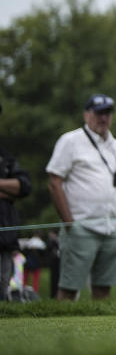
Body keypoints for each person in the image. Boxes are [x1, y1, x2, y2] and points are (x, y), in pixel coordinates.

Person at [46, 94, 116, 301]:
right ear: (86, 114)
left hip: (112, 227)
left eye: (107, 113)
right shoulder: (70, 140)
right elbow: (54, 182)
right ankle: (59, 331)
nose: (103, 118)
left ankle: (100, 333)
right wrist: (69, 223)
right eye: (98, 113)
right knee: (68, 288)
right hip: (81, 227)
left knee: (103, 289)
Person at [1, 102, 33, 301]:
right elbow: (14, 189)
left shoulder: (4, 155)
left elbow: (24, 186)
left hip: (3, 241)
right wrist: (8, 190)